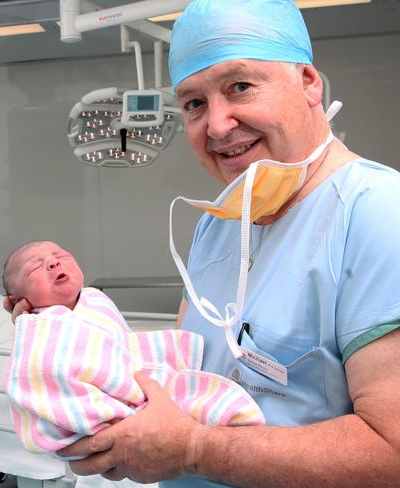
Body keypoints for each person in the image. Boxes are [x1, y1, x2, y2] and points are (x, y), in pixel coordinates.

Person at [52, 1, 400, 486]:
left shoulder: (379, 213)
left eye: (240, 86)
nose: (216, 125)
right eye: (194, 103)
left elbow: (392, 451)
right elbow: (178, 372)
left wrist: (195, 449)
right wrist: (65, 324)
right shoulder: (220, 222)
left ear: (308, 83)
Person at [3, 240, 265, 455]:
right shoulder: (40, 329)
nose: (52, 262)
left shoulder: (93, 298)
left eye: (60, 254)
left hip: (142, 386)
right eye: (34, 268)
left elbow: (122, 347)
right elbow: (45, 373)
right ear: (18, 299)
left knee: (197, 399)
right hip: (114, 407)